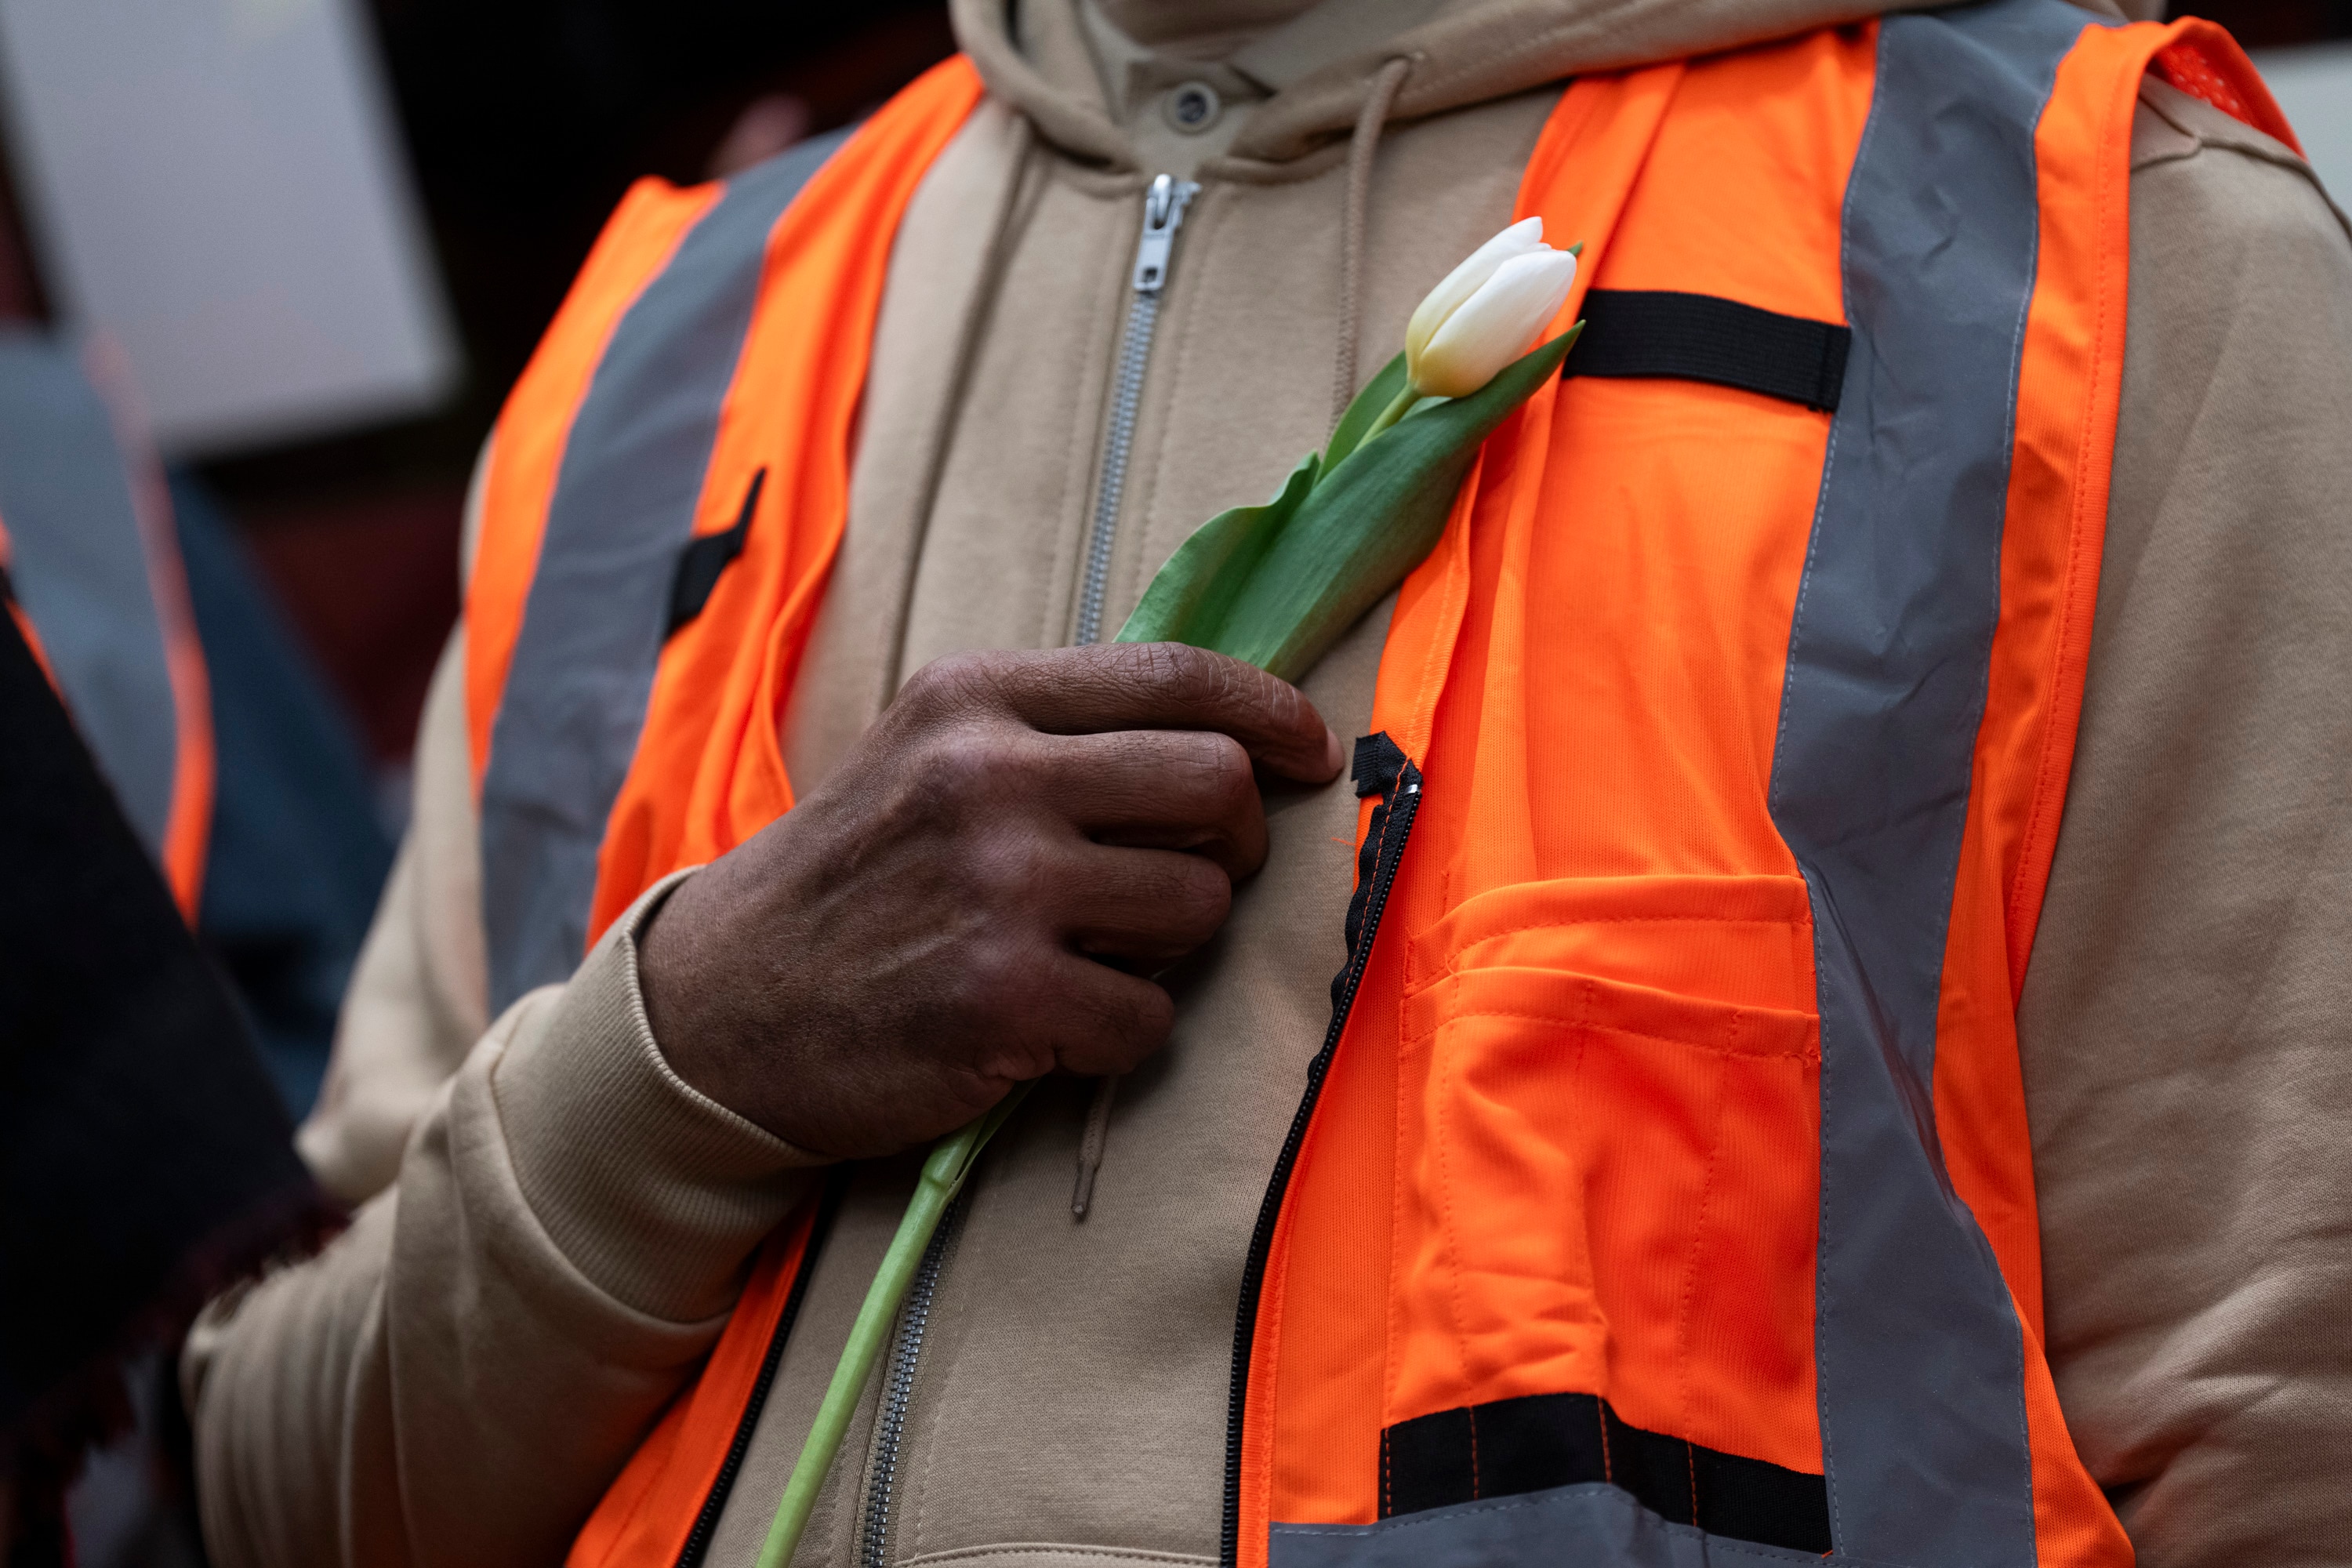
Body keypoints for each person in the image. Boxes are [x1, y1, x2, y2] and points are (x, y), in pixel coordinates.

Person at [181, 0, 2352, 1564]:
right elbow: (273, 1488)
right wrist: (681, 1060)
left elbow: (2284, 1446)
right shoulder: (673, 346)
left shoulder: (2102, 258)